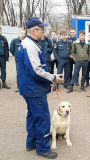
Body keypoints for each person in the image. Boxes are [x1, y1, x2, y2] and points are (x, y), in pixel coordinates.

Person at [18, 17, 63, 159]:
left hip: (31, 88)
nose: (44, 31)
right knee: (43, 117)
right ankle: (43, 148)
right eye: (42, 29)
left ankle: (31, 143)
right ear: (33, 30)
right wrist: (52, 77)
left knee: (32, 116)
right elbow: (36, 70)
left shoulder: (31, 43)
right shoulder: (30, 46)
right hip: (34, 89)